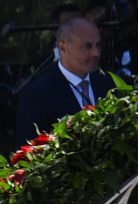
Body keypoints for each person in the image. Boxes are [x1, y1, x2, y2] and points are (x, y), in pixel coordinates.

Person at [13, 15, 115, 147]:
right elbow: (28, 154)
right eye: (87, 46)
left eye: (98, 45)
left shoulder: (109, 84)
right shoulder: (37, 95)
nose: (96, 53)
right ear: (63, 47)